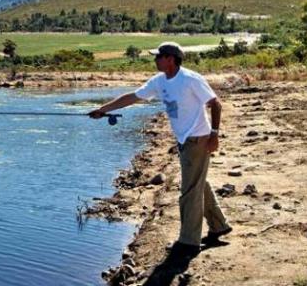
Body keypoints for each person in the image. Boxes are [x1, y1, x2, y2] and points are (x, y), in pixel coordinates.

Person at [89, 42, 232, 257]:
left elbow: (216, 104)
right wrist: (103, 109)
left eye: (159, 56)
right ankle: (219, 225)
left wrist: (214, 135)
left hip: (198, 138)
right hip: (184, 139)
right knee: (197, 183)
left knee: (189, 192)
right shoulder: (159, 81)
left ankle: (189, 242)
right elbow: (133, 97)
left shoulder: (190, 79)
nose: (155, 60)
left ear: (171, 59)